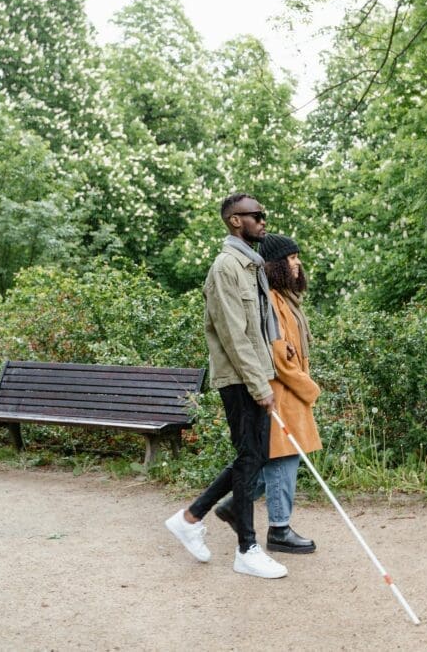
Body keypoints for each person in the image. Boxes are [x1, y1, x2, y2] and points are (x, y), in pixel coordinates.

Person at [164, 192, 287, 579]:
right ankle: (246, 548)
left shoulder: (251, 266)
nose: (264, 221)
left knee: (252, 457)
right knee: (250, 456)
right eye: (257, 216)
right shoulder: (225, 268)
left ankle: (192, 516)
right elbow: (235, 336)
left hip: (253, 375)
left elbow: (256, 333)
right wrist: (259, 385)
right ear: (236, 221)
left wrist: (266, 377)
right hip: (238, 378)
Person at [212, 233, 322, 554]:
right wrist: (310, 388)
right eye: (291, 258)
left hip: (290, 390)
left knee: (275, 459)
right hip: (281, 390)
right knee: (282, 460)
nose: (297, 262)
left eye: (297, 256)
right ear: (275, 266)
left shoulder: (287, 298)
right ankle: (279, 529)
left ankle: (234, 504)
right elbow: (279, 356)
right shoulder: (272, 300)